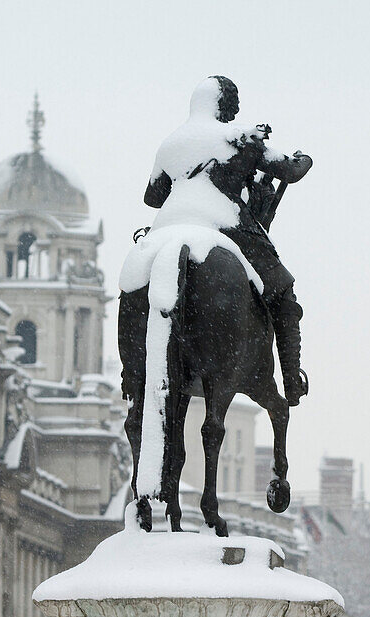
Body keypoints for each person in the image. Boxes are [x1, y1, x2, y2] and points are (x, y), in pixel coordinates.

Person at [143, 76, 313, 405]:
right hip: (224, 225)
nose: (233, 117)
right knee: (284, 291)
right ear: (222, 105)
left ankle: (130, 374)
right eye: (231, 109)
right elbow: (291, 171)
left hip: (167, 226)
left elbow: (152, 196)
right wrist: (305, 158)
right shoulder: (235, 138)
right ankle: (292, 379)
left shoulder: (171, 143)